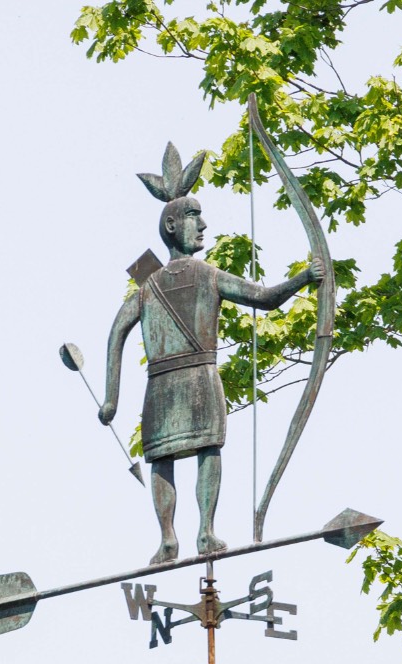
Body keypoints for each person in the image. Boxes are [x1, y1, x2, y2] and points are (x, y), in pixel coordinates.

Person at [100, 144, 323, 565]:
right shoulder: (198, 277)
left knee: (170, 456)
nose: (203, 225)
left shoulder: (149, 286)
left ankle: (185, 535)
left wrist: (112, 397)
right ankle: (190, 534)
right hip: (192, 380)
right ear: (171, 224)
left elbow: (115, 334)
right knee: (198, 452)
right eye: (192, 216)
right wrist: (303, 277)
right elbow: (265, 297)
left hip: (166, 385)